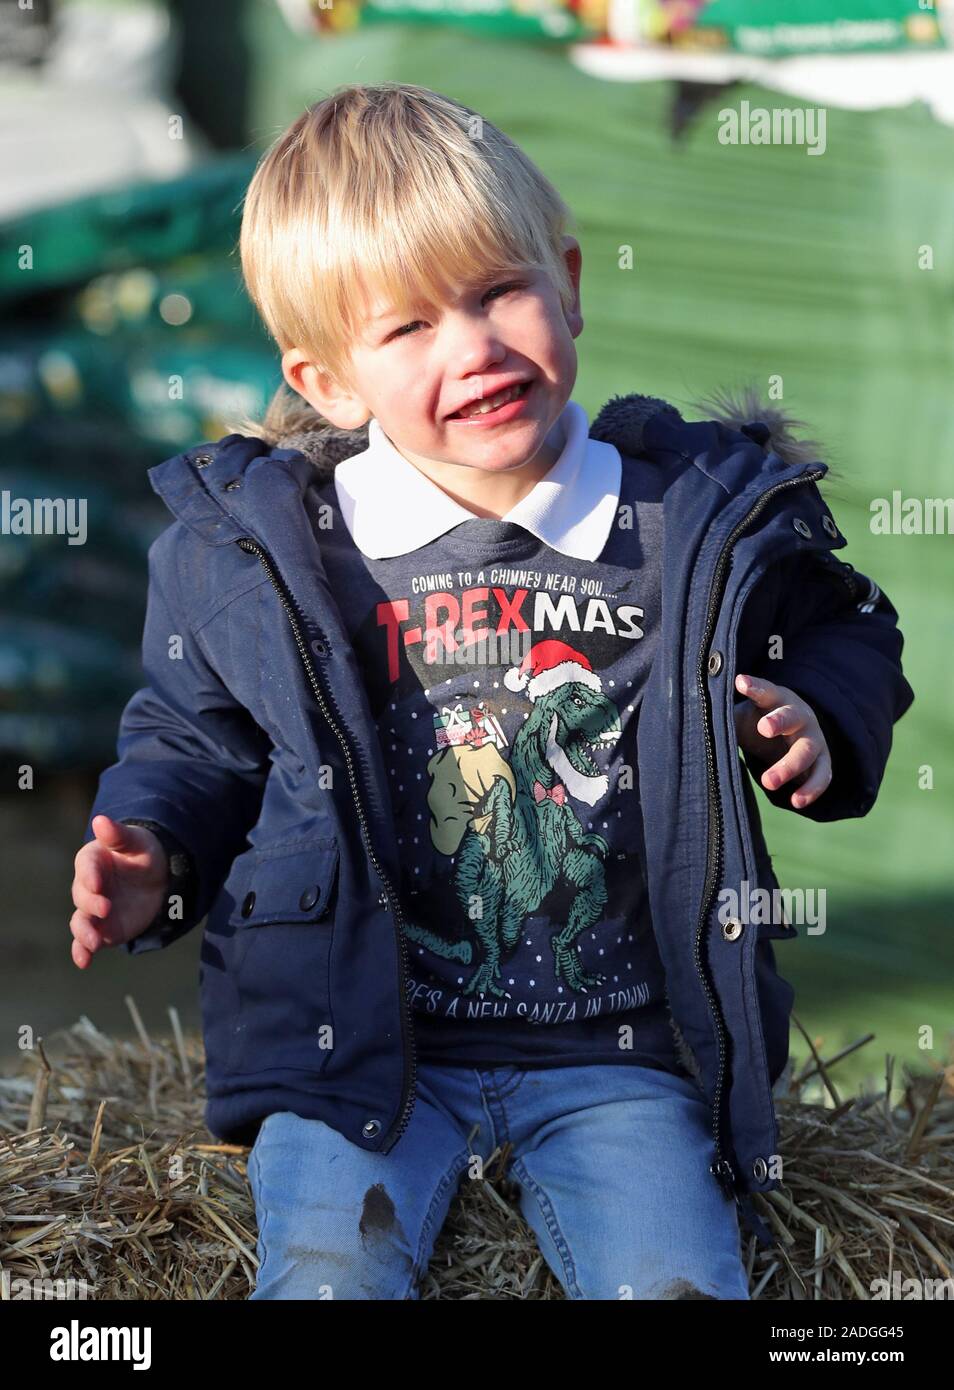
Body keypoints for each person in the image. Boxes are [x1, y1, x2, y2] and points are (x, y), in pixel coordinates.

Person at [70, 83, 914, 1300]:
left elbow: (847, 627)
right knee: (324, 1279)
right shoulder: (273, 553)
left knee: (681, 1286)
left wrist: (813, 712)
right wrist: (151, 847)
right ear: (329, 378)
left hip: (625, 1056)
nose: (472, 348)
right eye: (406, 327)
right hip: (360, 1056)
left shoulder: (686, 519)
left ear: (569, 278)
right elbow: (198, 741)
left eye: (498, 290)